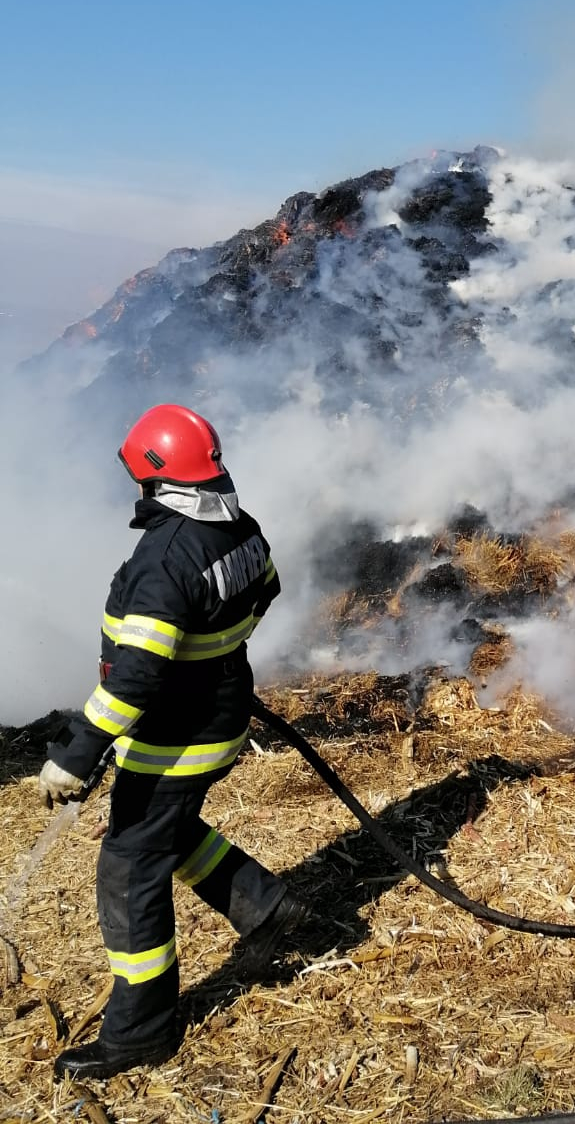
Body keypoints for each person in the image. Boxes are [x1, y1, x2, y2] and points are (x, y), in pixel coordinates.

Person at [39, 403, 307, 1080]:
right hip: (218, 712)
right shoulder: (238, 524)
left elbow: (134, 678)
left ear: (158, 478)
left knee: (130, 863)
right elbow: (267, 588)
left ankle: (142, 1028)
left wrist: (76, 755)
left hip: (178, 735)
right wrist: (214, 659)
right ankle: (267, 907)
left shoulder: (163, 558)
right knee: (168, 826)